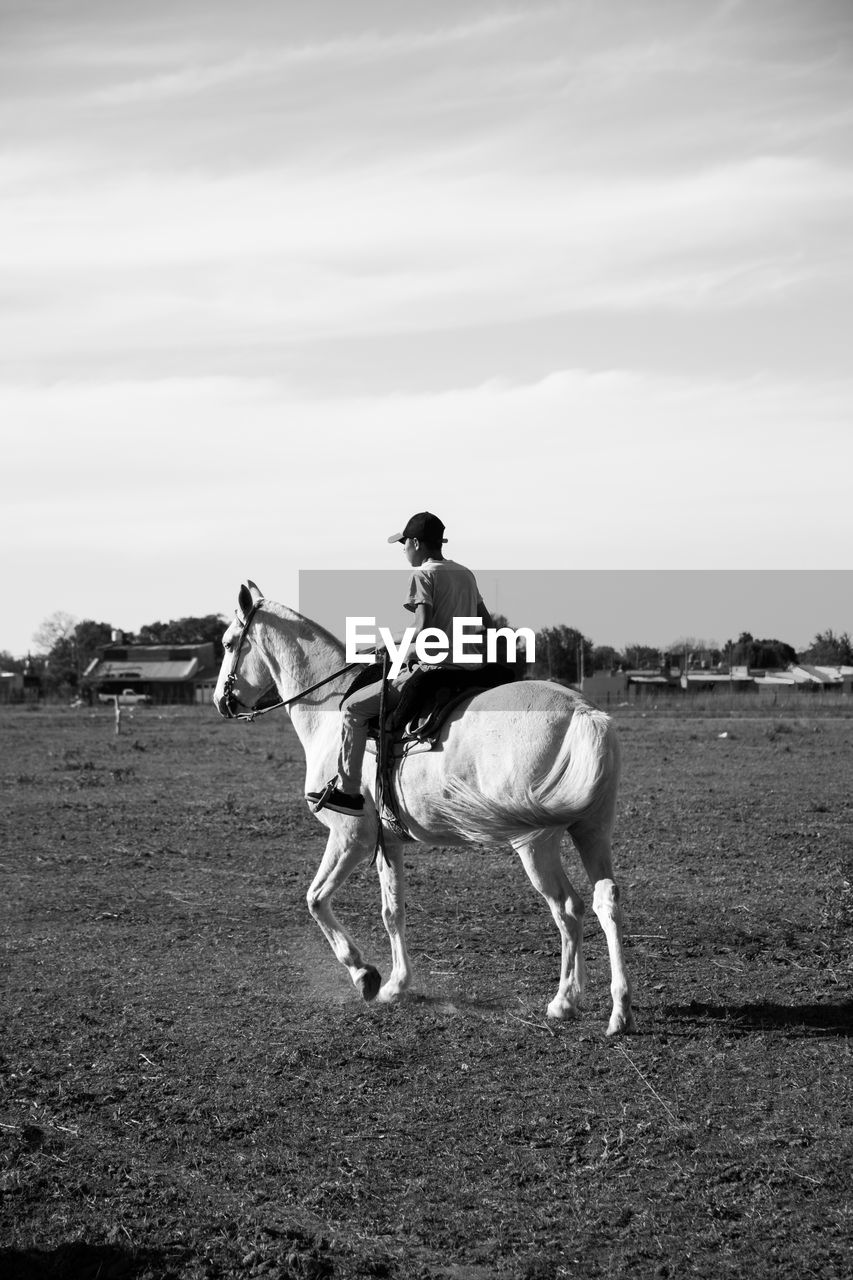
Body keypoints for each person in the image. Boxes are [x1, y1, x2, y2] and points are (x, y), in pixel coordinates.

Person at [308, 511, 492, 816]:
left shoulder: (422, 575)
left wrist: (391, 645)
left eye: (404, 543)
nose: (403, 549)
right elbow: (485, 622)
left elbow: (423, 629)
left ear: (417, 543)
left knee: (352, 709)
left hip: (434, 670)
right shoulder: (465, 574)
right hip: (468, 669)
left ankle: (350, 792)